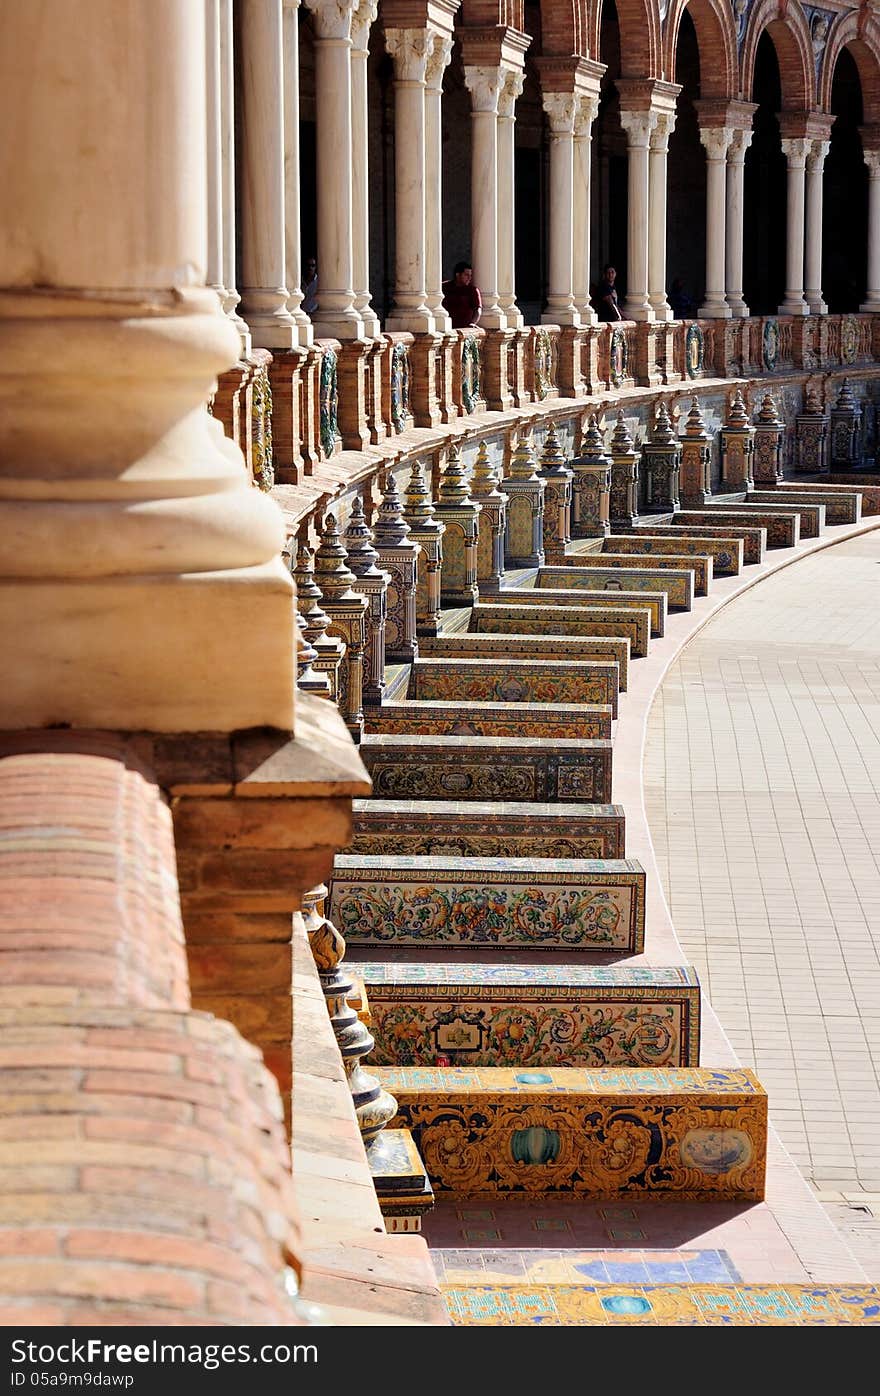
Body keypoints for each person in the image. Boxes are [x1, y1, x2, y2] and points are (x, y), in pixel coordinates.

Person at [441, 260, 482, 328]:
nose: (469, 278)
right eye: (466, 275)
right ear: (458, 274)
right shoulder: (444, 287)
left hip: (465, 328)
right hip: (447, 327)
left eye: (470, 275)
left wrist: (473, 323)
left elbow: (477, 309)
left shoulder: (472, 290)